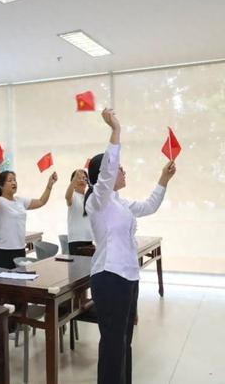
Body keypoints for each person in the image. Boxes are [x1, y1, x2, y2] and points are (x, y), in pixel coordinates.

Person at [85, 108, 175, 384]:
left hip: (127, 277)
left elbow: (150, 205)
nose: (123, 172)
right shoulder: (97, 201)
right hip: (109, 278)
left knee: (124, 341)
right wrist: (115, 132)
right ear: (105, 174)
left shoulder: (120, 203)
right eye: (119, 169)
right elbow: (108, 168)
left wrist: (164, 179)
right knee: (113, 343)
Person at [0, 167, 58, 268]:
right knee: (5, 282)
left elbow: (41, 201)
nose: (14, 182)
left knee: (20, 281)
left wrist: (49, 185)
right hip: (4, 250)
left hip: (20, 248)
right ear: (1, 186)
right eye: (10, 180)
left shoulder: (20, 201)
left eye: (15, 180)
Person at [65, 169, 94, 255]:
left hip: (89, 239)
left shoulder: (89, 197)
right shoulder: (73, 196)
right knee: (77, 268)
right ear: (72, 182)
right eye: (78, 178)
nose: (81, 180)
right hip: (76, 240)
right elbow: (67, 196)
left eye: (84, 178)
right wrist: (74, 180)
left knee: (89, 268)